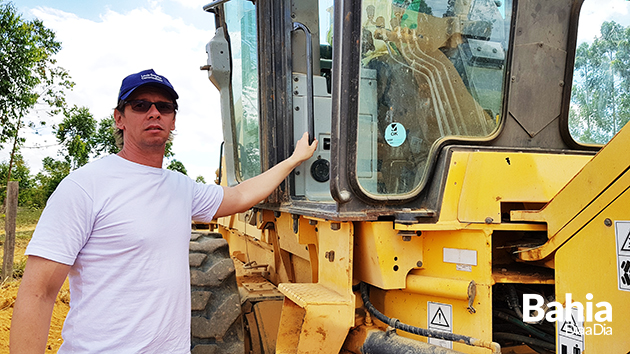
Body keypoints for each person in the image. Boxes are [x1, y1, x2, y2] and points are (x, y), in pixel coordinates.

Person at [10, 69, 318, 353]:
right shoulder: (85, 186)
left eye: (165, 107)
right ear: (119, 118)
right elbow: (38, 292)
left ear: (172, 121)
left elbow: (239, 195)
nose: (154, 112)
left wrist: (293, 160)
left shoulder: (181, 188)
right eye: (140, 105)